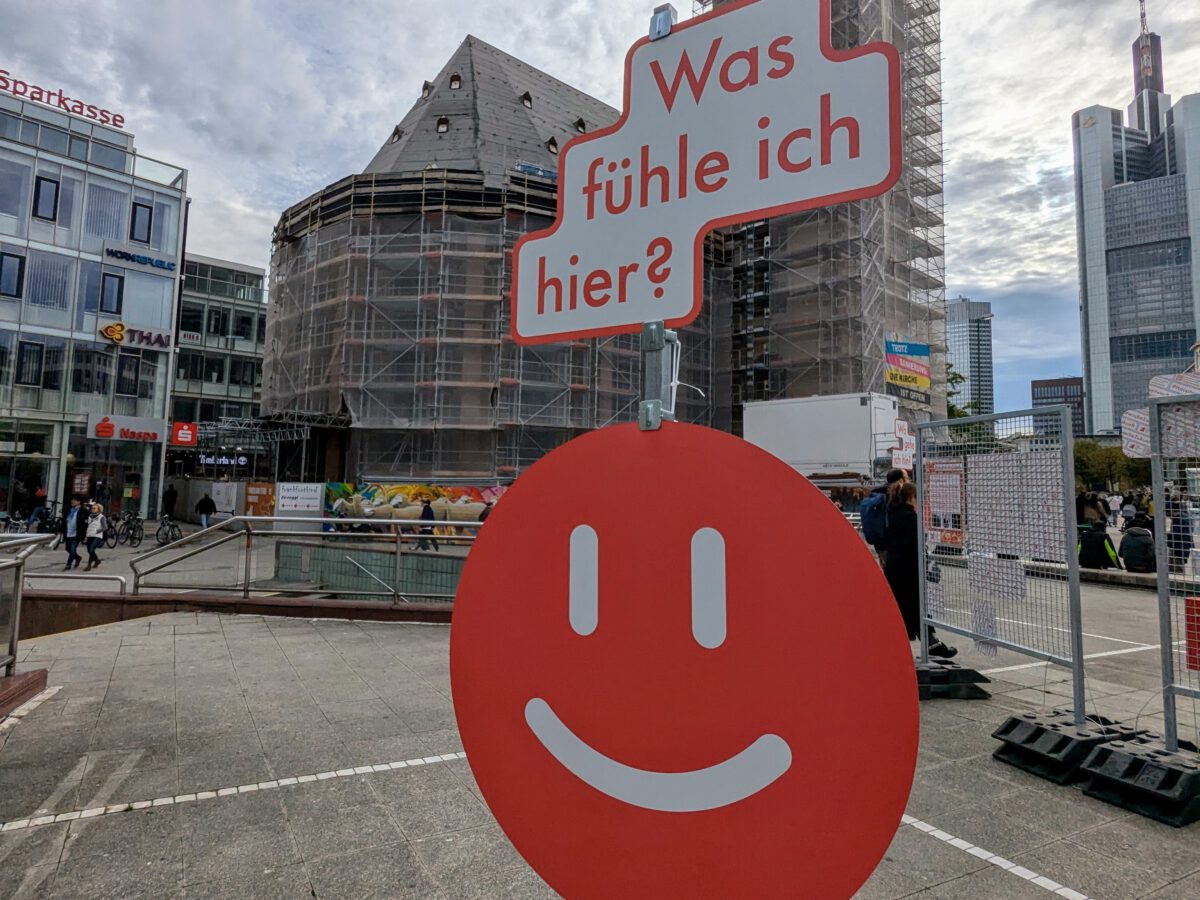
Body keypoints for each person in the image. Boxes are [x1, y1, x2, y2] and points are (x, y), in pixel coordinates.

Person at [883, 481, 957, 659]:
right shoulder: (909, 518)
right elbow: (915, 547)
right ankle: (930, 643)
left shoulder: (892, 515)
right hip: (908, 571)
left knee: (907, 609)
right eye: (918, 497)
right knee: (916, 607)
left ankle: (930, 642)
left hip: (894, 569)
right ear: (911, 497)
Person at [861, 469, 908, 566]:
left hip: (880, 544)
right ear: (900, 480)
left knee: (886, 571)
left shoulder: (878, 494)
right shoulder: (896, 497)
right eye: (906, 477)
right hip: (894, 545)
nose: (908, 479)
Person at [1167, 494, 1193, 575]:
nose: (1168, 515)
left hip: (1179, 548)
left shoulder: (1180, 520)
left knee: (1178, 570)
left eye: (1168, 512)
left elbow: (1178, 535)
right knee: (1172, 569)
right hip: (1176, 547)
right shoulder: (1180, 518)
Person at [61, 496, 83, 571]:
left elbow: (85, 522)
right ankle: (77, 558)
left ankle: (68, 564)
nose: (72, 502)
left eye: (74, 500)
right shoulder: (69, 510)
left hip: (76, 533)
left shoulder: (82, 511)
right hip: (68, 532)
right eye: (72, 500)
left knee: (73, 549)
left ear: (79, 502)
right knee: (68, 548)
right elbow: (64, 520)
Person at [84, 501, 106, 571]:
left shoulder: (101, 517)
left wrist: (97, 531)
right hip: (89, 535)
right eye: (92, 508)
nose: (92, 509)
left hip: (97, 536)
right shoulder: (90, 516)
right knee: (89, 550)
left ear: (99, 510)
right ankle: (97, 560)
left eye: (94, 508)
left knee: (91, 549)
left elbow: (105, 527)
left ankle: (89, 565)